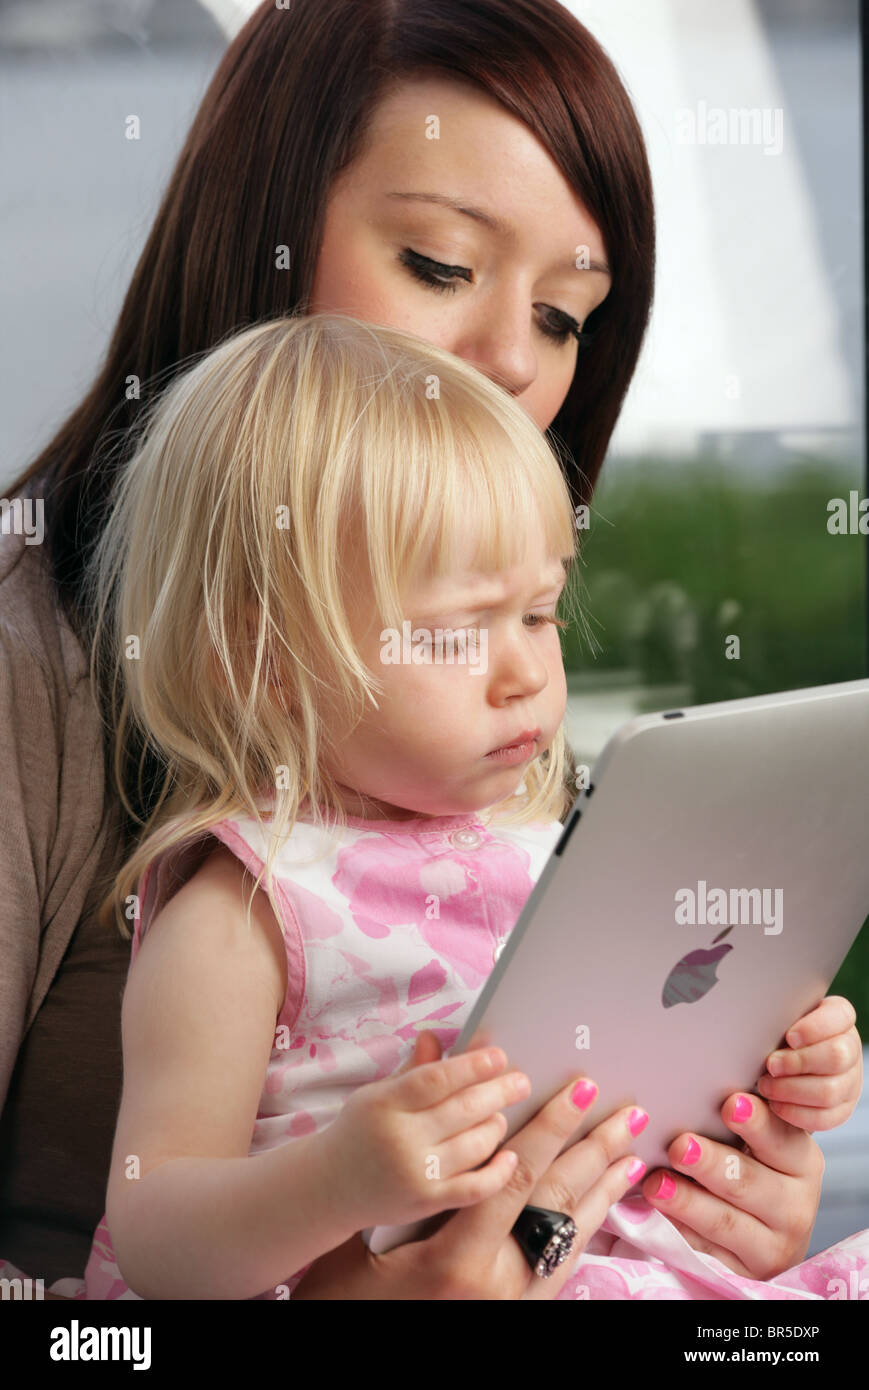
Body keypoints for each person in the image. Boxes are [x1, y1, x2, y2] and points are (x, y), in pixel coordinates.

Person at [0, 0, 861, 1298]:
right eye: (442, 266)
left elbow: (564, 1161)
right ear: (265, 240)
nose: (514, 361)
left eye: (568, 316)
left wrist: (723, 1182)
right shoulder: (62, 703)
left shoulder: (470, 735)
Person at [72, 313, 869, 1300]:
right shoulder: (247, 905)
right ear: (269, 659)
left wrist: (771, 1078)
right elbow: (155, 1231)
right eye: (457, 632)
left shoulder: (568, 843)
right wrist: (334, 1180)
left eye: (538, 613)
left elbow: (635, 1074)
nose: (525, 673)